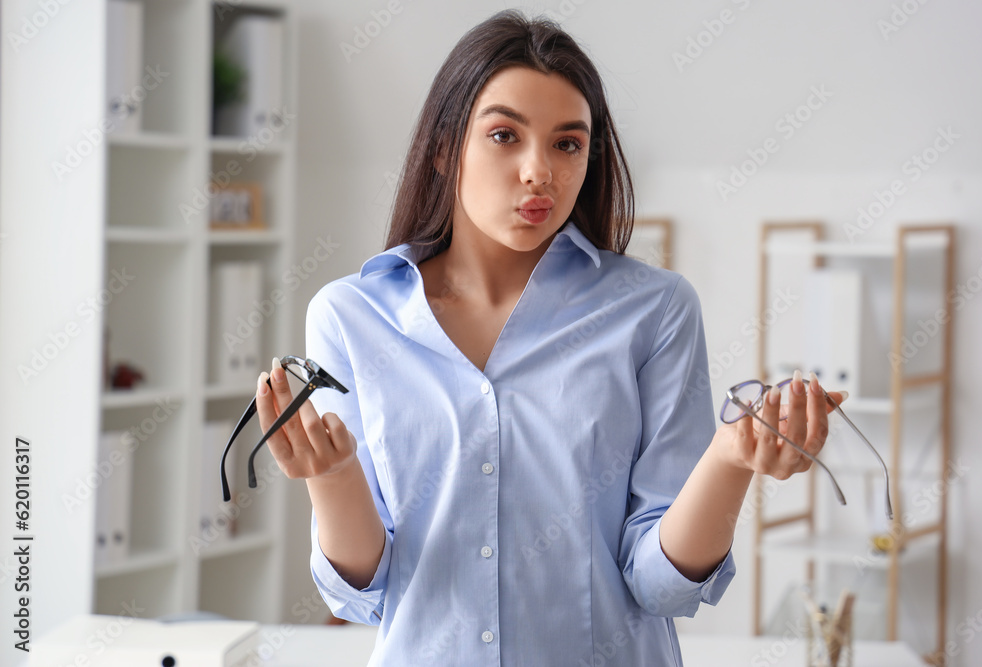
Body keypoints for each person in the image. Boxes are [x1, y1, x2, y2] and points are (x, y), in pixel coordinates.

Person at [254, 10, 844, 666]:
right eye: (505, 135)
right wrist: (333, 476)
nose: (540, 171)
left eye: (568, 143)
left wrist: (731, 458)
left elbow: (659, 583)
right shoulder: (351, 316)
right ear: (446, 147)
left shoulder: (653, 310)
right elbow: (364, 591)